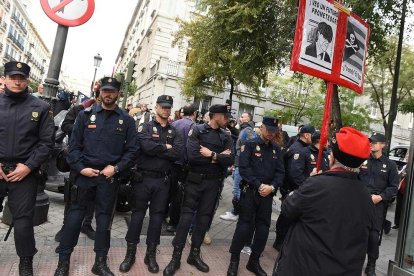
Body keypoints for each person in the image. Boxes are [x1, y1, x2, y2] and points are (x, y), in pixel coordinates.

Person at [53, 77, 138, 276]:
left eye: (112, 91)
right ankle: (63, 262)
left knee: (103, 222)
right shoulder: (84, 116)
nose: (108, 94)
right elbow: (73, 147)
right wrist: (81, 168)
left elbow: (132, 151)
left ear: (118, 94)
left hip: (108, 179)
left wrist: (116, 169)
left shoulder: (126, 120)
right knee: (73, 220)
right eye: (105, 91)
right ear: (100, 92)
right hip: (84, 177)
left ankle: (100, 262)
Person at [274, 127, 375, 276]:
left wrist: (309, 182)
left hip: (304, 267)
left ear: (333, 158)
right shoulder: (366, 196)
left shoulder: (316, 185)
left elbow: (288, 208)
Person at [163, 104, 234, 276]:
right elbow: (193, 157)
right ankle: (176, 257)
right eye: (225, 116)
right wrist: (220, 157)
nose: (227, 120)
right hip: (194, 181)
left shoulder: (226, 136)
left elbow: (231, 159)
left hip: (212, 184)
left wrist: (211, 155)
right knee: (186, 219)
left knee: (203, 220)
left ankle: (194, 255)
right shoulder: (197, 130)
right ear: (216, 116)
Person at [0, 61, 55, 275]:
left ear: (27, 80)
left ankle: (25, 262)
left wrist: (28, 166)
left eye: (21, 78)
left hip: (24, 172)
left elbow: (46, 143)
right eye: (13, 77)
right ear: (4, 78)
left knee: (23, 222)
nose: (17, 81)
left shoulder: (41, 107)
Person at [119, 95, 183, 273]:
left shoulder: (174, 131)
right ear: (156, 108)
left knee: (156, 219)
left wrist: (158, 148)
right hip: (143, 179)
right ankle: (130, 255)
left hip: (162, 181)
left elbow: (177, 153)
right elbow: (146, 147)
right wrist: (165, 148)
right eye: (163, 107)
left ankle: (151, 254)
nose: (166, 110)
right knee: (137, 217)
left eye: (168, 107)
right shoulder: (146, 127)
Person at [227, 116, 285, 276]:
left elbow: (281, 172)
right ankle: (234, 260)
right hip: (251, 192)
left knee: (263, 229)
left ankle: (254, 261)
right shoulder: (250, 145)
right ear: (262, 128)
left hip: (267, 195)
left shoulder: (276, 149)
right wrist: (259, 185)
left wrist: (272, 187)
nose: (271, 134)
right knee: (244, 227)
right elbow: (244, 169)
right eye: (269, 130)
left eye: (274, 131)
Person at [54, 87, 102, 245]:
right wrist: (82, 128)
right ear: (96, 97)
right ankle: (65, 227)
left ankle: (86, 225)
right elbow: (64, 125)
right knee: (72, 195)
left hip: (97, 162)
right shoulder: (79, 110)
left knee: (92, 197)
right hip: (77, 160)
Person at [359, 132, 399, 276]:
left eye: (375, 142)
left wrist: (381, 197)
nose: (372, 144)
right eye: (370, 142)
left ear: (383, 145)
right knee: (357, 232)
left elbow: (394, 186)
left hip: (377, 204)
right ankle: (355, 262)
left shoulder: (390, 165)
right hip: (360, 203)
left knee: (373, 237)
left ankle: (371, 264)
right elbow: (354, 179)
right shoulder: (363, 161)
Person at [274, 124, 315, 250]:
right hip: (292, 189)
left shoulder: (303, 147)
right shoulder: (298, 149)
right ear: (307, 135)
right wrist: (305, 187)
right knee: (286, 215)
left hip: (295, 188)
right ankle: (279, 242)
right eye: (313, 135)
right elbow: (294, 174)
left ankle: (284, 240)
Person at [167, 104, 198, 233]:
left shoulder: (175, 123)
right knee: (179, 195)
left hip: (171, 162)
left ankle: (165, 215)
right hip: (183, 164)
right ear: (195, 113)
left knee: (170, 190)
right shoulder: (193, 126)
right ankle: (174, 223)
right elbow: (190, 148)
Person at [220, 112, 255, 222]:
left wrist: (242, 161)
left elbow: (251, 145)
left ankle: (235, 212)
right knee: (238, 188)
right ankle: (236, 211)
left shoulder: (248, 130)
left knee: (236, 189)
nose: (240, 118)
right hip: (239, 163)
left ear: (248, 119)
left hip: (241, 164)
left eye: (242, 116)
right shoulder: (245, 129)